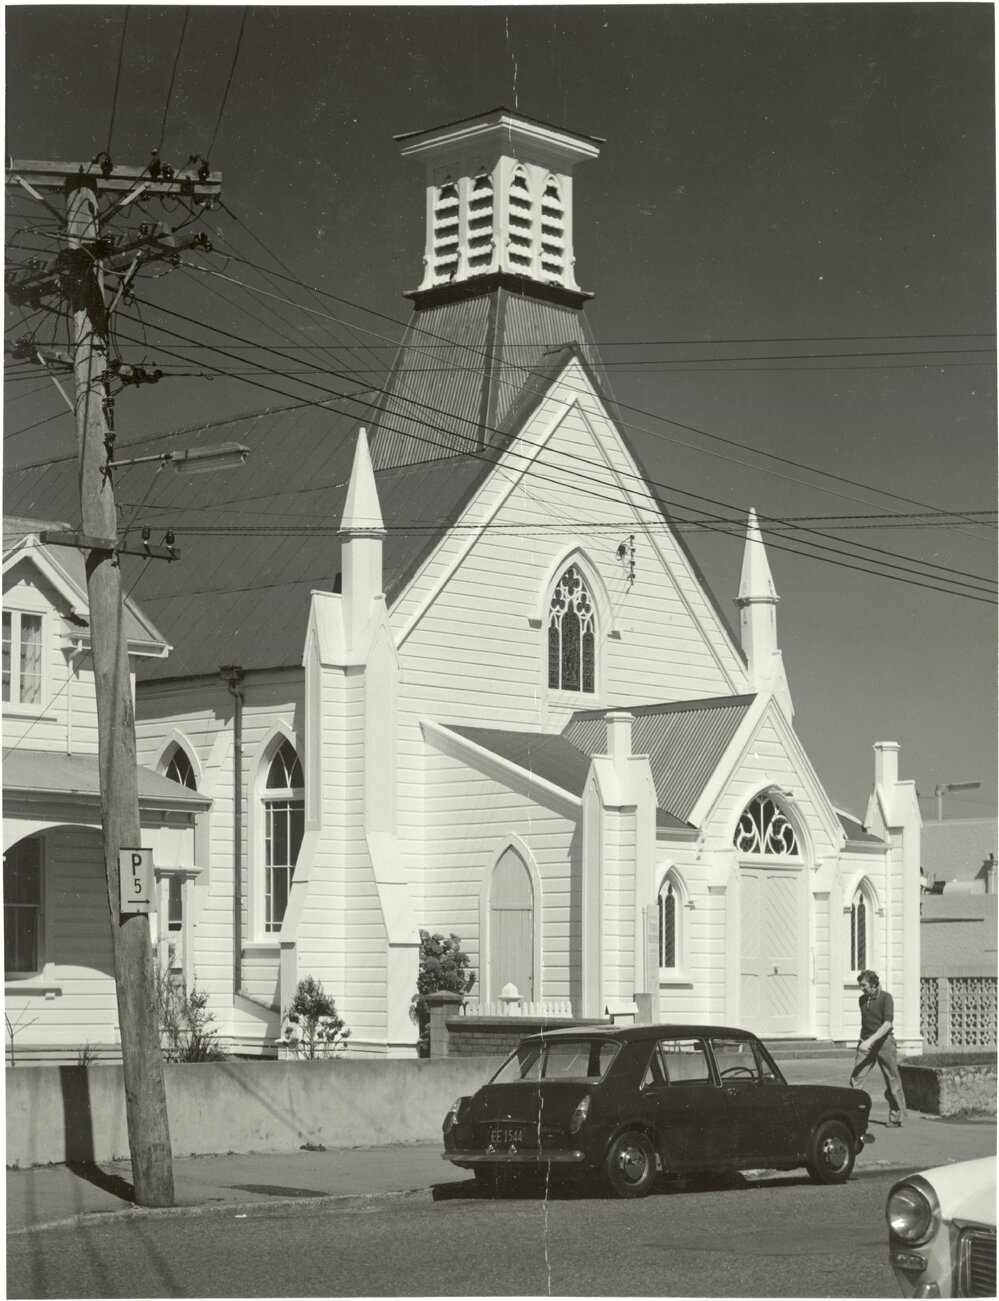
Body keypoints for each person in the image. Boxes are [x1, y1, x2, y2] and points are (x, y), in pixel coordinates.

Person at [850, 969, 906, 1126]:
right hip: (866, 1044)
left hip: (884, 1043)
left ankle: (895, 1117)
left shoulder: (886, 998)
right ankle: (853, 1114)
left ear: (873, 984)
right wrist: (863, 1041)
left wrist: (871, 1041)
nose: (861, 988)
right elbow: (866, 1024)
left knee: (892, 1080)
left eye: (864, 985)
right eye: (860, 985)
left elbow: (887, 1024)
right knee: (856, 1078)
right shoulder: (862, 1000)